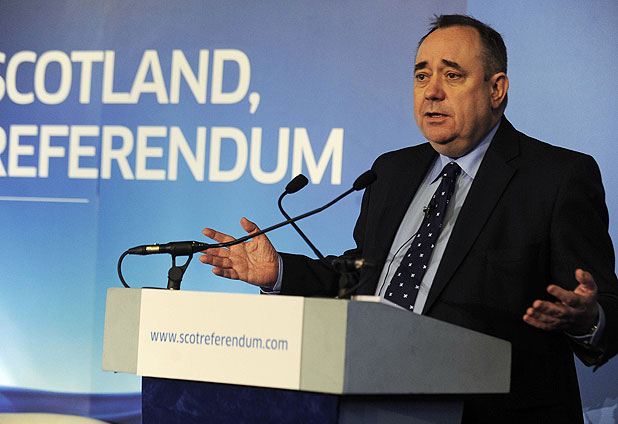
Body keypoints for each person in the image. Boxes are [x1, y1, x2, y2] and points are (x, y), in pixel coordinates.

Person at [199, 14, 618, 423]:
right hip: (373, 399)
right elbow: (361, 279)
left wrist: (590, 319)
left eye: (451, 75)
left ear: (496, 89)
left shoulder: (556, 177)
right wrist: (280, 272)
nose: (431, 92)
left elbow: (606, 308)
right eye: (421, 76)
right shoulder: (391, 171)